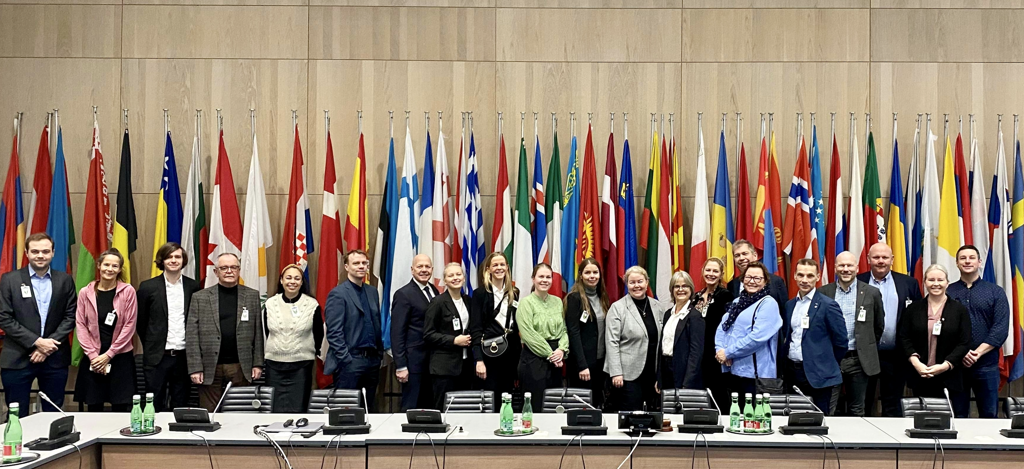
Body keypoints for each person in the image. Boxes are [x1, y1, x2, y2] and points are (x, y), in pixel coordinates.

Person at [0, 233, 77, 417]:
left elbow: (71, 316)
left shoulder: (65, 280)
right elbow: (4, 317)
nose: (40, 255)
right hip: (17, 358)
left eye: (45, 251)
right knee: (16, 415)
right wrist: (37, 342)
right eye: (35, 251)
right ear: (27, 253)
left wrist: (47, 346)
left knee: (53, 414)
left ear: (53, 253)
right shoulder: (9, 280)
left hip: (54, 358)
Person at [186, 253, 265, 412]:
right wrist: (195, 367)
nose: (229, 271)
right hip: (209, 366)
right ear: (216, 272)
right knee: (209, 412)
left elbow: (258, 333)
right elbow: (192, 335)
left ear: (239, 270)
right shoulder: (200, 297)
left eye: (234, 267)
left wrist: (257, 364)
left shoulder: (251, 295)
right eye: (224, 268)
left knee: (240, 411)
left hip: (241, 365)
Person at [858, 242, 922, 416]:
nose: (881, 261)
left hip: (897, 355)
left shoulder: (908, 283)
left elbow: (918, 318)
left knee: (892, 404)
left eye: (885, 257)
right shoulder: (858, 282)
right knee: (864, 402)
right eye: (876, 257)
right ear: (868, 259)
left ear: (892, 260)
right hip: (865, 354)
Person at [818, 251, 885, 417]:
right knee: (829, 408)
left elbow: (878, 326)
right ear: (835, 268)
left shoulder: (871, 292)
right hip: (831, 359)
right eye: (841, 265)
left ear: (857, 268)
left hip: (858, 360)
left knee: (857, 409)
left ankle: (857, 436)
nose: (846, 269)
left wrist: (865, 345)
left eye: (849, 265)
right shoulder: (823, 292)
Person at [136, 242, 202, 412]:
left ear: (183, 260)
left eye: (177, 257)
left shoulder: (193, 286)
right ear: (162, 261)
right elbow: (141, 322)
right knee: (153, 404)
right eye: (169, 257)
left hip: (183, 357)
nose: (173, 260)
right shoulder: (147, 287)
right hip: (157, 357)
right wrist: (151, 345)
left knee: (181, 403)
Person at [947, 245, 1009, 418]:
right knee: (957, 416)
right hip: (956, 365)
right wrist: (962, 352)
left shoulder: (995, 292)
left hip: (987, 365)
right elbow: (942, 327)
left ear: (979, 262)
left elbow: (1000, 328)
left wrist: (977, 353)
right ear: (957, 263)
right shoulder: (947, 292)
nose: (967, 261)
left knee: (989, 416)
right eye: (963, 258)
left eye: (972, 258)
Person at [73, 249, 138, 412]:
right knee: (94, 406)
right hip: (93, 357)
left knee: (120, 407)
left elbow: (129, 325)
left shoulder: (128, 291)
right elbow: (80, 325)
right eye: (106, 264)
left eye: (114, 266)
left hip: (120, 357)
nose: (110, 269)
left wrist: (109, 355)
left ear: (119, 269)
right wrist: (94, 357)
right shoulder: (85, 292)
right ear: (99, 266)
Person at [781, 259, 847, 415]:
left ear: (817, 277)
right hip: (793, 372)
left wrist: (824, 361)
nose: (804, 280)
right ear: (795, 276)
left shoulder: (828, 305)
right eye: (800, 275)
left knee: (819, 419)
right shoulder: (790, 305)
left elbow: (841, 341)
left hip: (819, 374)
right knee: (793, 418)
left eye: (810, 276)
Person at [899, 264, 972, 399]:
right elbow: (904, 337)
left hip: (949, 376)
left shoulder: (959, 310)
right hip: (920, 375)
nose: (936, 284)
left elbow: (964, 342)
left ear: (947, 283)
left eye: (940, 280)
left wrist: (945, 365)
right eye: (931, 280)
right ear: (925, 283)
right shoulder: (913, 309)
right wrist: (916, 363)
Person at [323, 250, 383, 411]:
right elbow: (334, 332)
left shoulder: (372, 291)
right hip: (350, 361)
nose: (361, 266)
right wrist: (346, 359)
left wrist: (379, 355)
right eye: (356, 263)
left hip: (372, 361)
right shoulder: (338, 294)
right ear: (346, 267)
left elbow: (376, 324)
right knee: (347, 411)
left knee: (369, 408)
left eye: (364, 263)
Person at [715, 262, 783, 396]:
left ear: (765, 281)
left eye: (757, 278)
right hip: (733, 372)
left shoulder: (768, 304)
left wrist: (728, 352)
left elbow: (757, 338)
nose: (752, 281)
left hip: (756, 377)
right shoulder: (737, 302)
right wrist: (720, 350)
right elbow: (722, 328)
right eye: (748, 277)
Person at [262, 264, 323, 413]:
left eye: (297, 278)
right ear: (281, 280)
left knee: (298, 408)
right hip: (274, 366)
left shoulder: (312, 305)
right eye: (288, 278)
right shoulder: (270, 304)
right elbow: (267, 332)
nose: (292, 281)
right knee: (274, 409)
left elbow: (318, 335)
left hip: (301, 367)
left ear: (302, 282)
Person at [605, 266, 667, 411]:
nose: (636, 286)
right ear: (627, 284)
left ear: (647, 282)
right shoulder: (618, 308)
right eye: (632, 282)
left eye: (640, 281)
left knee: (651, 416)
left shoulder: (658, 307)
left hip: (652, 373)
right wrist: (616, 372)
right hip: (627, 375)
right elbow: (612, 342)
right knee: (631, 415)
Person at [470, 252, 521, 403]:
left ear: (507, 267)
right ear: (488, 269)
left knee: (507, 398)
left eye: (502, 264)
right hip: (489, 353)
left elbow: (515, 326)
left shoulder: (514, 293)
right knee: (490, 398)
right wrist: (479, 360)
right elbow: (476, 329)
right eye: (495, 265)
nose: (499, 268)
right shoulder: (480, 294)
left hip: (510, 354)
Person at [425, 263, 477, 409]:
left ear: (464, 278)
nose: (455, 278)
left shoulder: (468, 301)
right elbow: (428, 334)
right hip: (444, 368)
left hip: (465, 366)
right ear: (445, 280)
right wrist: (454, 340)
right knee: (443, 409)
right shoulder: (437, 302)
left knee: (464, 409)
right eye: (451, 275)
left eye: (458, 274)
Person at [391, 254, 439, 411]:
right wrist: (401, 365)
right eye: (420, 267)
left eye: (427, 267)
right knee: (411, 407)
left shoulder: (433, 290)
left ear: (432, 269)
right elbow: (397, 333)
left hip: (432, 362)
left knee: (429, 407)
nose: (424, 270)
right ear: (412, 270)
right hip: (413, 363)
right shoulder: (403, 294)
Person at [518, 263, 569, 404]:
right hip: (534, 360)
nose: (544, 280)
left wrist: (562, 349)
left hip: (556, 360)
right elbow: (528, 334)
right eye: (541, 276)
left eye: (548, 277)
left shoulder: (558, 301)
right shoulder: (525, 303)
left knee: (555, 404)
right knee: (536, 404)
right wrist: (551, 355)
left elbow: (564, 330)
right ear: (533, 279)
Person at [564, 258, 609, 409]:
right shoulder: (574, 298)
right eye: (587, 272)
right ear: (581, 275)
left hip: (600, 362)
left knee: (597, 404)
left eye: (595, 272)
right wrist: (582, 365)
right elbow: (573, 333)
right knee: (583, 406)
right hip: (583, 364)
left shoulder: (602, 297)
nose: (592, 276)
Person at [695, 257, 734, 411]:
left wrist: (726, 350)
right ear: (702, 271)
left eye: (715, 271)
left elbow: (730, 326)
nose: (711, 274)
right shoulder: (696, 296)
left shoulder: (726, 296)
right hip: (698, 353)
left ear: (721, 274)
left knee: (718, 395)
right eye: (708, 270)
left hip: (716, 354)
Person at [660, 271, 703, 391]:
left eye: (685, 286)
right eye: (677, 286)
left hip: (683, 374)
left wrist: (687, 382)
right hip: (666, 370)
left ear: (691, 289)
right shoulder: (668, 314)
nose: (680, 290)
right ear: (672, 290)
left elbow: (696, 353)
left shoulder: (695, 316)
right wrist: (659, 379)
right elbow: (662, 346)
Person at [727, 240, 787, 314]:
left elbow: (784, 311)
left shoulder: (776, 281)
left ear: (755, 255)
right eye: (737, 255)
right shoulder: (732, 285)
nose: (741, 258)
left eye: (745, 254)